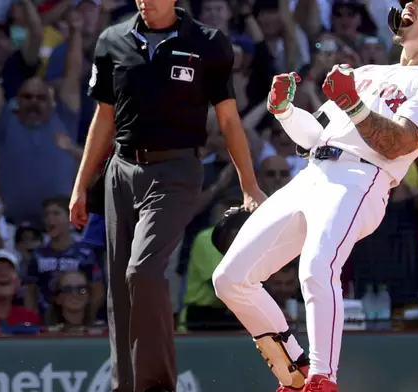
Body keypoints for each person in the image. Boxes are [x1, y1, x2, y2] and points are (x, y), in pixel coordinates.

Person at [212, 0, 418, 391]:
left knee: (316, 267)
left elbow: (397, 143)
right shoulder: (366, 71)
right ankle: (294, 372)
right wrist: (285, 111)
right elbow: (315, 137)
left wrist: (353, 104)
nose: (410, 5)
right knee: (230, 278)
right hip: (313, 171)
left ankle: (322, 378)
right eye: (409, 2)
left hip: (362, 179)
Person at [68, 1, 266, 392]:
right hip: (120, 171)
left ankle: (157, 385)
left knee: (143, 272)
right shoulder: (112, 40)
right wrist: (80, 185)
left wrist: (249, 184)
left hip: (176, 171)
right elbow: (103, 117)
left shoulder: (208, 42)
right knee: (120, 289)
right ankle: (125, 385)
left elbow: (228, 119)